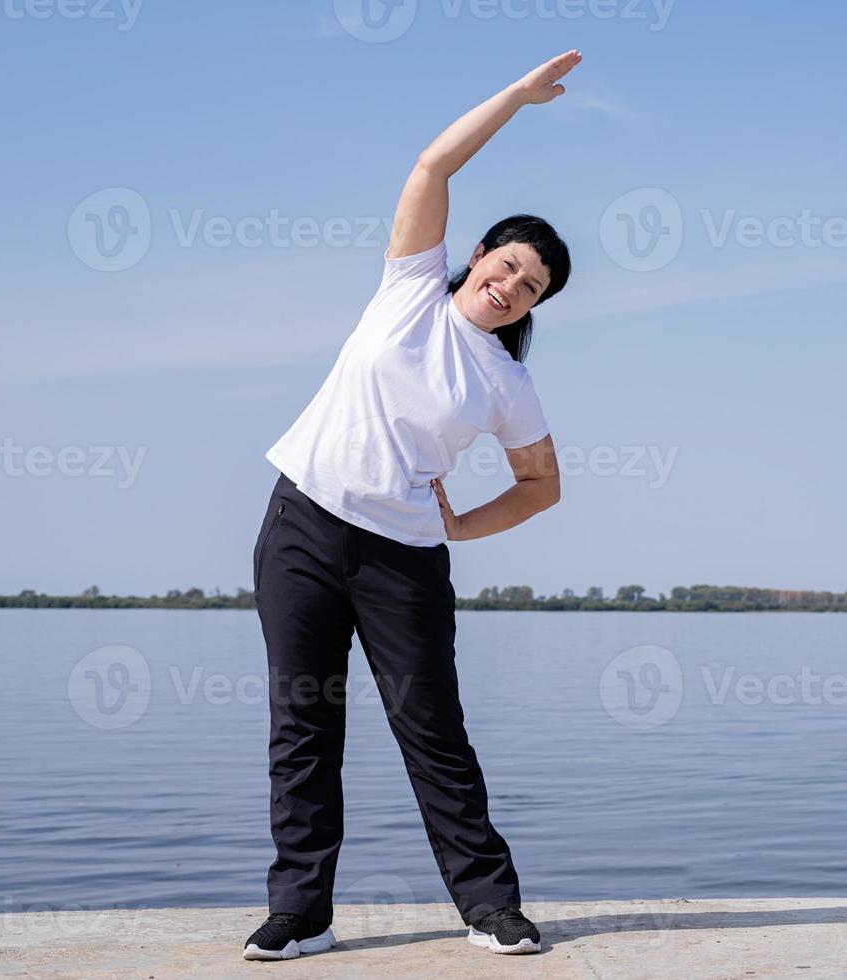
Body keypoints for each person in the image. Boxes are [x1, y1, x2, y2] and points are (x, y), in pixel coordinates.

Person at [241, 49, 582, 961]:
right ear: (477, 255)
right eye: (507, 264)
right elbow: (432, 166)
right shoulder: (407, 291)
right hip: (303, 527)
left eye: (530, 287)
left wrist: (462, 524)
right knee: (302, 722)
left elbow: (542, 485)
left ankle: (489, 907)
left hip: (404, 558)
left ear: (531, 304)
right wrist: (514, 97)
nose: (510, 286)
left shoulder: (507, 380)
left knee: (433, 732)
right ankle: (300, 913)